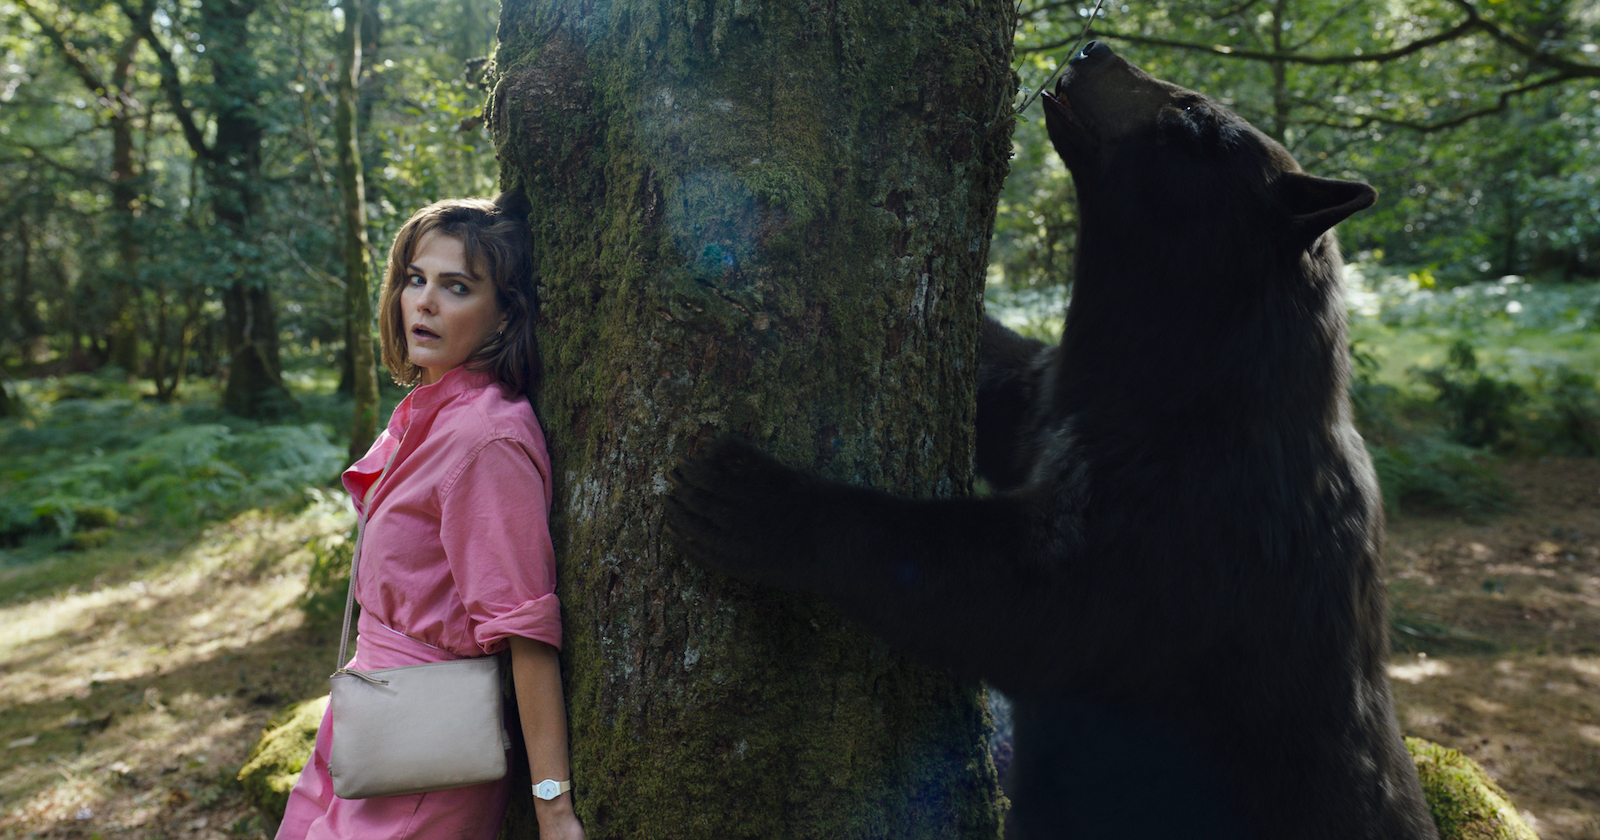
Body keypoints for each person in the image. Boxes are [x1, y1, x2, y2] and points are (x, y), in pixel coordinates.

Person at [277, 194, 585, 840]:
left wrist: (553, 808)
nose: (424, 302)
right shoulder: (431, 408)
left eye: (457, 287)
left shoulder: (485, 439)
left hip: (427, 749)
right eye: (416, 279)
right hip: (368, 718)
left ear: (505, 314)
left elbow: (527, 630)